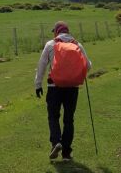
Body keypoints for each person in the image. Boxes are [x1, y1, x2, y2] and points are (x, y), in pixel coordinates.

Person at [35, 21, 92, 161]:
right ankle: (66, 153)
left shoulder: (50, 45)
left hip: (54, 87)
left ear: (56, 31)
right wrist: (75, 73)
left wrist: (38, 84)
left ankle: (56, 142)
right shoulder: (77, 45)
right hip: (72, 88)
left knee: (53, 116)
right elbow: (88, 65)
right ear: (67, 31)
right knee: (69, 119)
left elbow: (42, 65)